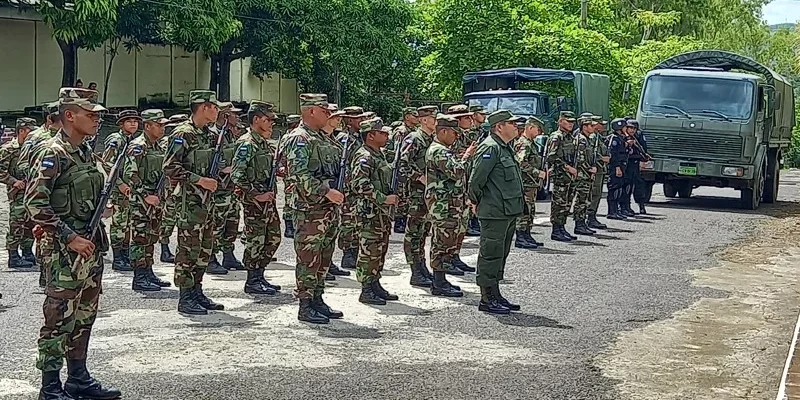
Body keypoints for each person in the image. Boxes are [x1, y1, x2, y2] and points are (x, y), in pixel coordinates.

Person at [27, 87, 121, 400]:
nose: (97, 119)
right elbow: (35, 203)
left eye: (98, 114)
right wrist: (70, 237)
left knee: (84, 316)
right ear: (70, 115)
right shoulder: (53, 152)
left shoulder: (86, 153)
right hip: (63, 253)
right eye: (90, 114)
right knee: (58, 319)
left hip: (90, 247)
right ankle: (50, 388)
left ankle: (78, 378)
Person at [162, 90, 225, 315]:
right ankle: (185, 296)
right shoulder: (183, 134)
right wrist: (200, 181)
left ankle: (197, 291)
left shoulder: (208, 134)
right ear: (204, 107)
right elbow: (170, 167)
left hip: (207, 204)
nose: (217, 111)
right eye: (215, 107)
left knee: (204, 249)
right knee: (188, 250)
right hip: (189, 202)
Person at [283, 93, 344, 324]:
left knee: (324, 257)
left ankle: (318, 299)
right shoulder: (300, 138)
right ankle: (305, 305)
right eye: (324, 110)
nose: (329, 115)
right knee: (308, 259)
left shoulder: (324, 139)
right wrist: (326, 191)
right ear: (310, 111)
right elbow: (298, 175)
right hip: (309, 210)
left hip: (327, 210)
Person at [468, 110, 524, 314]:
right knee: (490, 254)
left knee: (500, 254)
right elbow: (476, 180)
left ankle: (495, 293)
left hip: (506, 211)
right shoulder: (490, 147)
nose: (516, 125)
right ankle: (486, 298)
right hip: (494, 211)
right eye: (511, 123)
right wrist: (475, 201)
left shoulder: (504, 148)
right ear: (499, 126)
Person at [231, 100, 283, 295]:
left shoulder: (263, 143)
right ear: (255, 119)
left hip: (267, 201)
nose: (271, 123)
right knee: (256, 240)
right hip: (255, 202)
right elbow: (236, 175)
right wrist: (256, 194)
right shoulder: (247, 144)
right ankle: (252, 279)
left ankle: (259, 274)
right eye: (268, 119)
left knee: (273, 238)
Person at [349, 118, 399, 305]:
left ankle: (375, 282)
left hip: (381, 212)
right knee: (368, 251)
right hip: (369, 212)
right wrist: (383, 198)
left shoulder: (379, 154)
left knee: (380, 249)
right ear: (371, 135)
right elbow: (359, 184)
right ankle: (366, 289)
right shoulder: (364, 156)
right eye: (382, 133)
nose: (386, 136)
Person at [426, 114, 477, 297]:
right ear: (444, 131)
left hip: (450, 204)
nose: (456, 137)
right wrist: (467, 156)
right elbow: (456, 172)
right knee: (441, 243)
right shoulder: (438, 151)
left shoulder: (443, 150)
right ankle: (438, 283)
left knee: (446, 242)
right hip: (443, 205)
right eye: (454, 133)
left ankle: (441, 280)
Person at [124, 109, 172, 292]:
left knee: (151, 237)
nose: (162, 129)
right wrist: (145, 195)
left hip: (157, 199)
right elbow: (131, 174)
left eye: (163, 125)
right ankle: (139, 276)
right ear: (148, 126)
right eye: (159, 125)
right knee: (139, 238)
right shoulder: (138, 146)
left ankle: (148, 271)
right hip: (141, 202)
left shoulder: (160, 146)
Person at [399, 105, 438, 288]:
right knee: (414, 233)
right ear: (423, 120)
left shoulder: (431, 139)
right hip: (416, 193)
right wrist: (419, 177)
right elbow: (401, 164)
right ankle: (415, 269)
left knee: (423, 232)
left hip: (428, 193)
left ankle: (422, 266)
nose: (435, 120)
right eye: (432, 117)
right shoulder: (415, 138)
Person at [204, 103, 243, 274]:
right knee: (215, 225)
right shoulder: (212, 135)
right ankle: (210, 258)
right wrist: (224, 168)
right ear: (224, 116)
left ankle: (228, 255)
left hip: (230, 188)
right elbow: (208, 158)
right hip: (218, 189)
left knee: (232, 223)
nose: (237, 117)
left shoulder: (230, 134)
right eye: (233, 114)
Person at [101, 109, 141, 271]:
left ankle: (125, 254)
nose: (133, 123)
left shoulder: (133, 140)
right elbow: (107, 163)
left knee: (129, 223)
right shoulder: (116, 140)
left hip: (131, 188)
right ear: (121, 124)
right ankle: (118, 257)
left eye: (135, 121)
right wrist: (120, 183)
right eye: (129, 121)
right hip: (119, 189)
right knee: (119, 223)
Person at [443, 104, 477, 273]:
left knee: (462, 225)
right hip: (452, 189)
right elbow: (451, 165)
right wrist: (467, 154)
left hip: (464, 187)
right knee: (451, 227)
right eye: (466, 117)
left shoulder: (466, 136)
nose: (470, 120)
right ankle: (447, 259)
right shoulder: (450, 138)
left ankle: (455, 256)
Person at [0, 117, 38, 269]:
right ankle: (13, 255)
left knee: (30, 223)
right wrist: (13, 181)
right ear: (21, 131)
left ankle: (28, 251)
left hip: (31, 191)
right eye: (30, 130)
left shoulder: (33, 148)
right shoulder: (8, 149)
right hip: (17, 194)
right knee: (16, 224)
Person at [318, 104, 349, 278]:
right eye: (336, 117)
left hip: (333, 198)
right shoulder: (315, 139)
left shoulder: (333, 141)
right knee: (317, 241)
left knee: (330, 236)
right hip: (318, 198)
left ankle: (327, 264)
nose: (339, 120)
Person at [335, 106, 368, 270]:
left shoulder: (359, 138)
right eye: (358, 119)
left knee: (357, 220)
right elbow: (341, 163)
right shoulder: (344, 139)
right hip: (348, 186)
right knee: (348, 220)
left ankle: (354, 251)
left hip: (357, 185)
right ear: (348, 120)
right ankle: (348, 252)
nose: (361, 121)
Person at [514, 116, 547, 249]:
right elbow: (521, 162)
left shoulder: (531, 143)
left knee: (530, 210)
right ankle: (521, 237)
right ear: (530, 128)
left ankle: (527, 234)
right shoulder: (524, 143)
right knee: (524, 211)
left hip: (531, 184)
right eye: (538, 129)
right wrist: (536, 172)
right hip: (525, 183)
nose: (539, 133)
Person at [546, 111, 578, 242]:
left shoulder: (569, 137)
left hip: (569, 177)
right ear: (560, 122)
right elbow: (551, 156)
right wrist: (567, 167)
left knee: (566, 203)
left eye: (572, 122)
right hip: (561, 175)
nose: (571, 124)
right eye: (568, 121)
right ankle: (556, 229)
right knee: (558, 204)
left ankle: (562, 227)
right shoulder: (556, 137)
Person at [386, 107, 418, 234]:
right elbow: (397, 151)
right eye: (414, 115)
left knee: (406, 194)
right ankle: (399, 221)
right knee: (401, 194)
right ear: (407, 117)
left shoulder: (413, 131)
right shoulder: (401, 131)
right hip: (400, 166)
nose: (416, 118)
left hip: (408, 167)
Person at [572, 116, 599, 236]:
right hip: (582, 174)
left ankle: (582, 223)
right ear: (584, 126)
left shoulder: (588, 139)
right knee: (581, 200)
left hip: (587, 174)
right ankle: (579, 224)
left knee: (586, 199)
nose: (593, 127)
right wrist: (590, 169)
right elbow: (580, 159)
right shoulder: (581, 140)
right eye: (591, 126)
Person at [281, 114, 301, 238]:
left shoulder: (286, 136)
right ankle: (289, 227)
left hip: (290, 171)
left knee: (291, 198)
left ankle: (291, 225)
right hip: (290, 171)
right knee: (290, 199)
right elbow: (282, 155)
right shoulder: (289, 137)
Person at [587, 117, 610, 229]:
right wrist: (602, 159)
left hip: (600, 169)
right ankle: (589, 217)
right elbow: (591, 153)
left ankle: (592, 216)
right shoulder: (592, 138)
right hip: (595, 169)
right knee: (594, 193)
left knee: (597, 194)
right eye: (600, 124)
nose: (603, 126)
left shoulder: (598, 137)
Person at [606, 118, 629, 220]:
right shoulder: (615, 139)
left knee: (619, 189)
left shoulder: (621, 138)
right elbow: (613, 154)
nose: (626, 128)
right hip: (616, 167)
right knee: (614, 189)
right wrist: (617, 167)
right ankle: (612, 211)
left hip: (622, 166)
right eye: (624, 127)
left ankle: (616, 210)